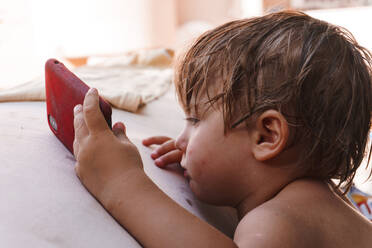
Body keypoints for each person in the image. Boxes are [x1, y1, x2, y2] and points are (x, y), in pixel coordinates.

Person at [72, 11, 372, 247]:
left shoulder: (276, 223)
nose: (181, 139)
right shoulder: (314, 202)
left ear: (266, 136)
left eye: (196, 120)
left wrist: (120, 183)